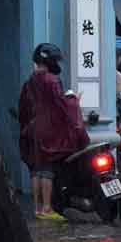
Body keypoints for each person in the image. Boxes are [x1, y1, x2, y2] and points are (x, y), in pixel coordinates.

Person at [19, 43, 89, 221]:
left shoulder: (30, 81)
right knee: (47, 169)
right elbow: (61, 104)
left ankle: (37, 208)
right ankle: (47, 208)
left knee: (36, 169)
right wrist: (74, 100)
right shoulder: (52, 80)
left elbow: (24, 106)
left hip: (34, 127)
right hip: (49, 129)